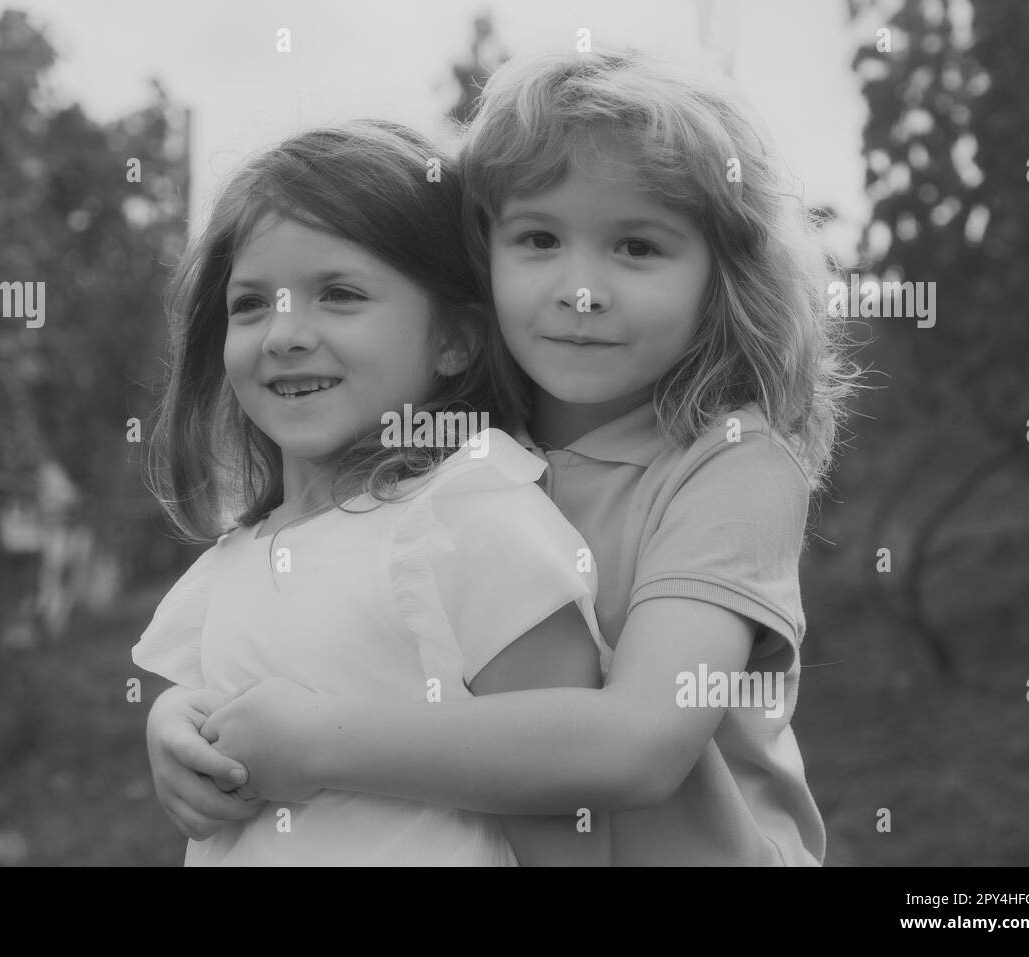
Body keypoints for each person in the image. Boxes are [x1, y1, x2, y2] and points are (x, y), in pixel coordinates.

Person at [148, 48, 860, 865]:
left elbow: (637, 742)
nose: (580, 288)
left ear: (723, 278)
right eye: (538, 238)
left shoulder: (732, 464)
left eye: (637, 247)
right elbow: (333, 637)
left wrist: (316, 745)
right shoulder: (456, 458)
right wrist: (184, 723)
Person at [132, 119, 611, 866]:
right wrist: (172, 726)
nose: (284, 333)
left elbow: (566, 770)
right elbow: (220, 698)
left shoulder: (468, 507)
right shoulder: (241, 553)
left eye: (341, 294)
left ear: (454, 340)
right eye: (251, 303)